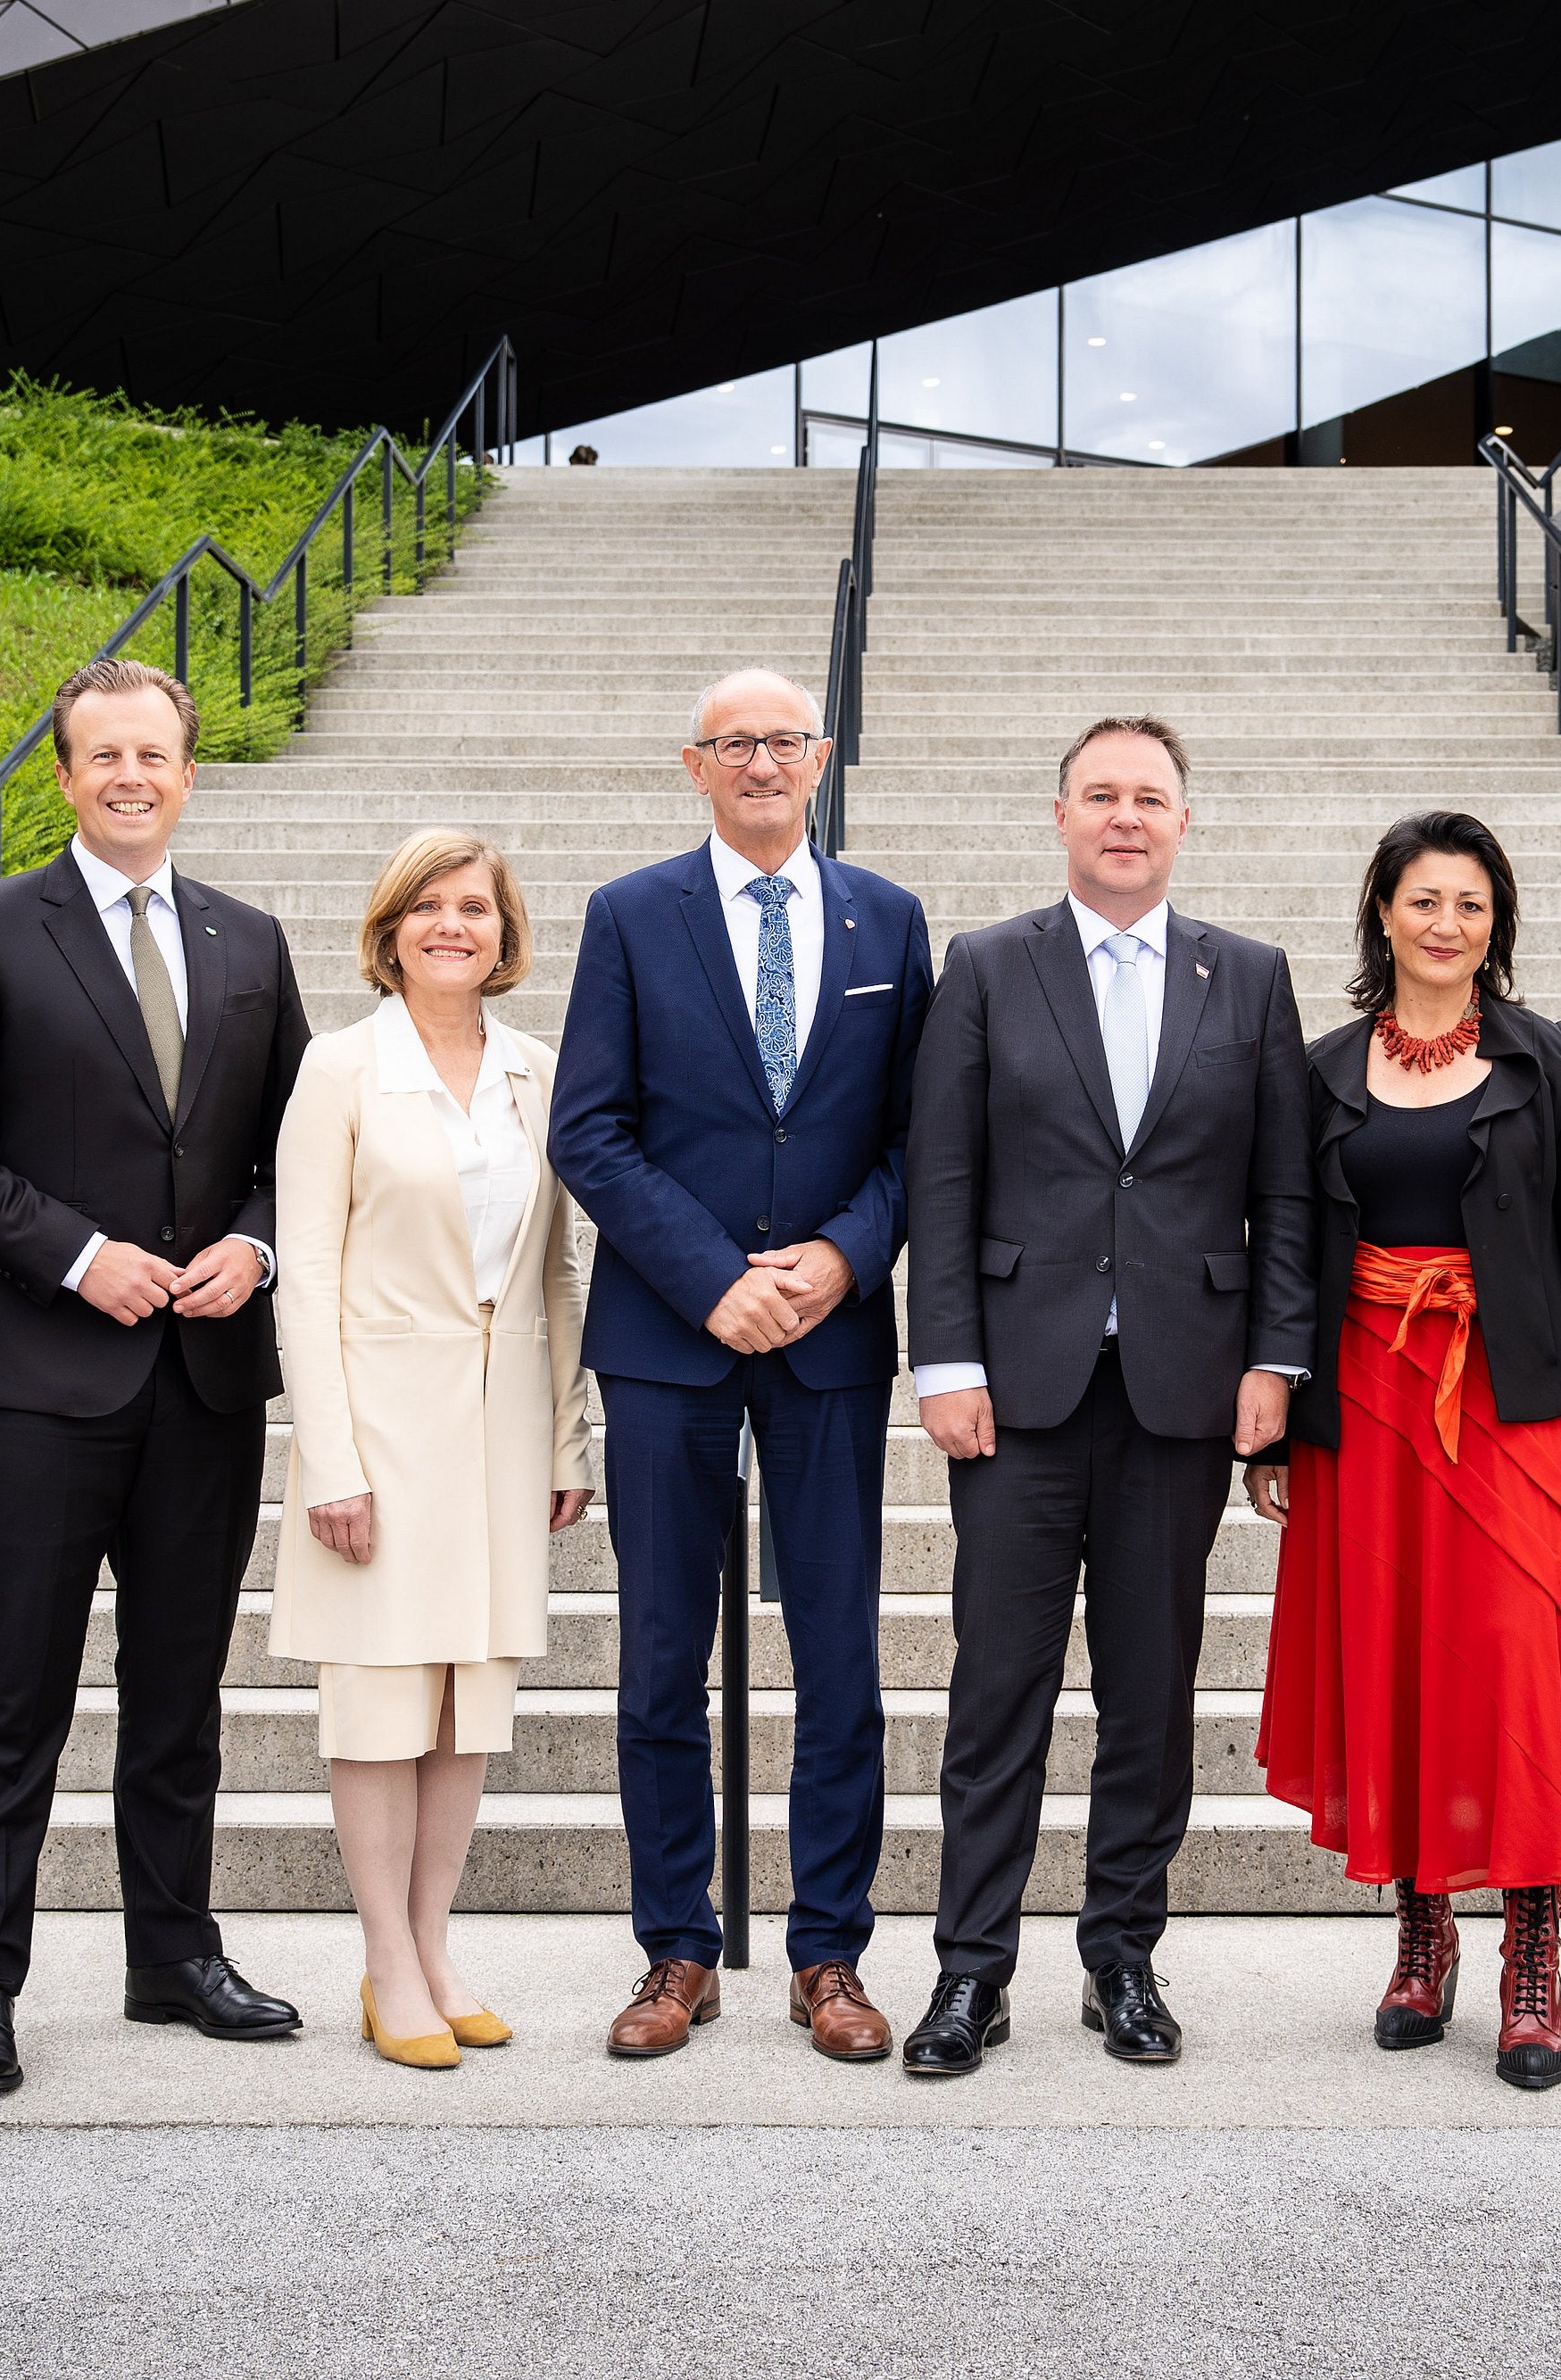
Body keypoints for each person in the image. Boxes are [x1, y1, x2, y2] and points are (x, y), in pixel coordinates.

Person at [0, 654, 313, 2096]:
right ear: (64, 776)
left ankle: (171, 1955)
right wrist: (78, 1256)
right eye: (103, 756)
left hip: (203, 1379)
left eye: (156, 755)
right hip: (36, 1381)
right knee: (13, 1690)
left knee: (181, 1685)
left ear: (189, 771)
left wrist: (255, 1242)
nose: (132, 777)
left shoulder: (248, 940)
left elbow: (286, 1147)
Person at [899, 714, 1318, 2077]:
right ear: (1061, 814)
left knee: (1151, 1690)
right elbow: (944, 1176)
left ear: (1183, 823)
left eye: (1150, 797)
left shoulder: (1247, 978)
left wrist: (1276, 1360)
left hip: (1183, 1395)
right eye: (1101, 795)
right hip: (1015, 1391)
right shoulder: (986, 966)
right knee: (997, 1689)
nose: (1125, 816)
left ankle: (1122, 1956)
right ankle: (972, 1973)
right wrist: (947, 1361)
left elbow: (1284, 1197)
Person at [549, 669, 934, 2062]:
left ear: (819, 759)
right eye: (734, 743)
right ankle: (677, 1951)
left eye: (784, 741)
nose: (761, 762)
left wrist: (837, 1260)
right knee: (662, 1654)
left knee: (837, 1654)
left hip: (830, 1343)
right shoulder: (631, 915)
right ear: (693, 765)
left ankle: (829, 1953)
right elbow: (588, 1131)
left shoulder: (886, 917)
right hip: (671, 1339)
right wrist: (714, 1278)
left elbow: (915, 1139)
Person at [1246, 811, 1561, 2091]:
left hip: (1511, 1401)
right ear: (1381, 913)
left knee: (1518, 1663)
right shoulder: (1317, 1070)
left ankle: (1534, 1945)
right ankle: (1424, 1932)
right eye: (1425, 900)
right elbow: (1286, 1250)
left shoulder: (1554, 1063)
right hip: (1364, 1398)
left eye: (1471, 905)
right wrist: (1281, 1422)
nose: (1446, 924)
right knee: (1398, 1660)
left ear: (1497, 925)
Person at [272, 832, 594, 2069]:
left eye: (477, 907)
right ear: (390, 927)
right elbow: (305, 1277)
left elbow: (557, 1272)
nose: (453, 925)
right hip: (384, 1432)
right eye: (429, 906)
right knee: (378, 1703)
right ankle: (385, 1962)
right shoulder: (340, 1069)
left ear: (506, 934)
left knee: (470, 1706)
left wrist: (568, 1437)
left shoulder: (537, 1073)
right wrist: (333, 1458)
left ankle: (434, 1944)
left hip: (505, 1429)